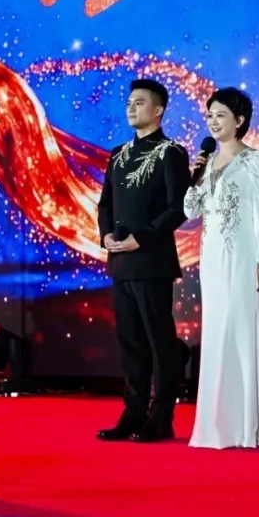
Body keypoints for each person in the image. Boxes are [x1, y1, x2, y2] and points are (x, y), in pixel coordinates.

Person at [184, 87, 259, 449]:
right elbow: (190, 211)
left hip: (242, 255)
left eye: (221, 115)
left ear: (240, 120)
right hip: (212, 257)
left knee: (242, 329)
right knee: (217, 331)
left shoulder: (255, 161)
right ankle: (218, 423)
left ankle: (248, 425)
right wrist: (195, 176)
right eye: (210, 115)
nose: (213, 122)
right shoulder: (208, 162)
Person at [96, 78, 190, 443]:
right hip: (121, 262)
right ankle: (132, 413)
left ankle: (161, 417)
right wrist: (106, 235)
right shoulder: (118, 153)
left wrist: (143, 237)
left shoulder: (171, 152)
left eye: (139, 102)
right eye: (129, 102)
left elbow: (178, 207)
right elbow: (106, 203)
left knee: (159, 342)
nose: (131, 108)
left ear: (158, 110)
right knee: (131, 342)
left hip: (152, 261)